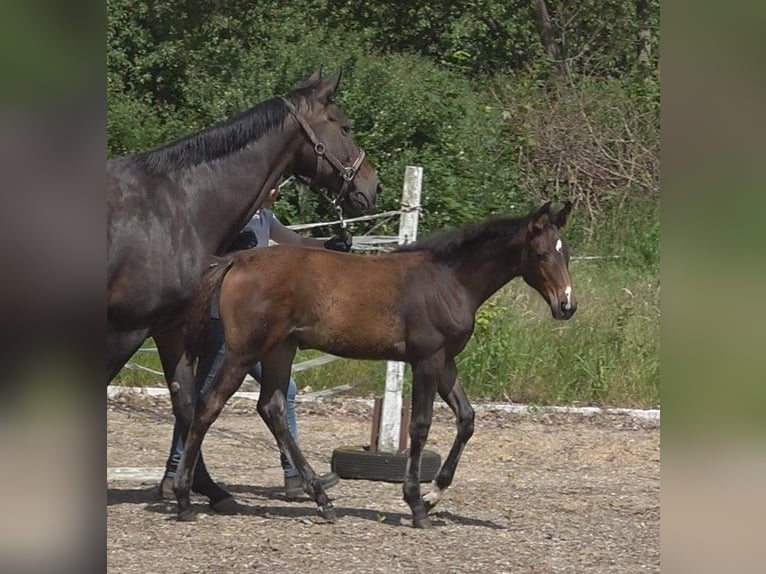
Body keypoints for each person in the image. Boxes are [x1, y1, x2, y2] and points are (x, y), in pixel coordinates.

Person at [159, 186, 353, 499]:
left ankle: (293, 474)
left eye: (279, 185)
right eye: (272, 184)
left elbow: (297, 243)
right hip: (225, 319)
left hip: (259, 323)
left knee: (282, 390)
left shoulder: (265, 216)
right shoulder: (235, 216)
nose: (276, 190)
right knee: (205, 396)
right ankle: (174, 473)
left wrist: (328, 246)